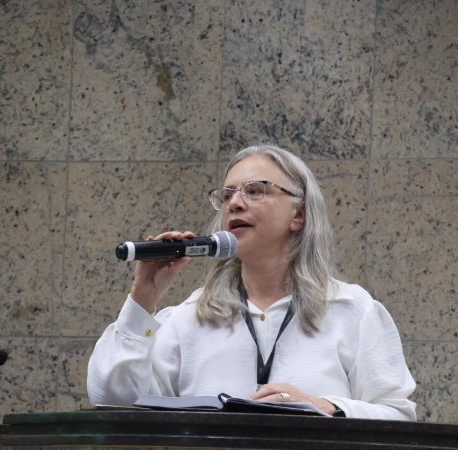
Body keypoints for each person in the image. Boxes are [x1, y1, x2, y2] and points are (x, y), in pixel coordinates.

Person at [87, 145, 417, 420]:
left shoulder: (350, 310)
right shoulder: (189, 318)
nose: (235, 203)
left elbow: (398, 415)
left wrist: (326, 406)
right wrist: (144, 298)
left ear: (299, 215)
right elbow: (112, 401)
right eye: (227, 195)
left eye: (255, 190)